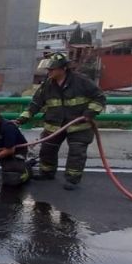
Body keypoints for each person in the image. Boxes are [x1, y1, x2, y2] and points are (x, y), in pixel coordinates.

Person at [15, 52, 106, 191]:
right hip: (54, 125)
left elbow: (100, 98)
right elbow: (35, 104)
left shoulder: (81, 81)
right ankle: (47, 173)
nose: (49, 72)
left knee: (77, 152)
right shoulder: (47, 85)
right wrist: (21, 119)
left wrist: (89, 113)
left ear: (63, 68)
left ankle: (72, 179)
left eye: (52, 69)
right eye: (48, 69)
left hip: (78, 125)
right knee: (47, 149)